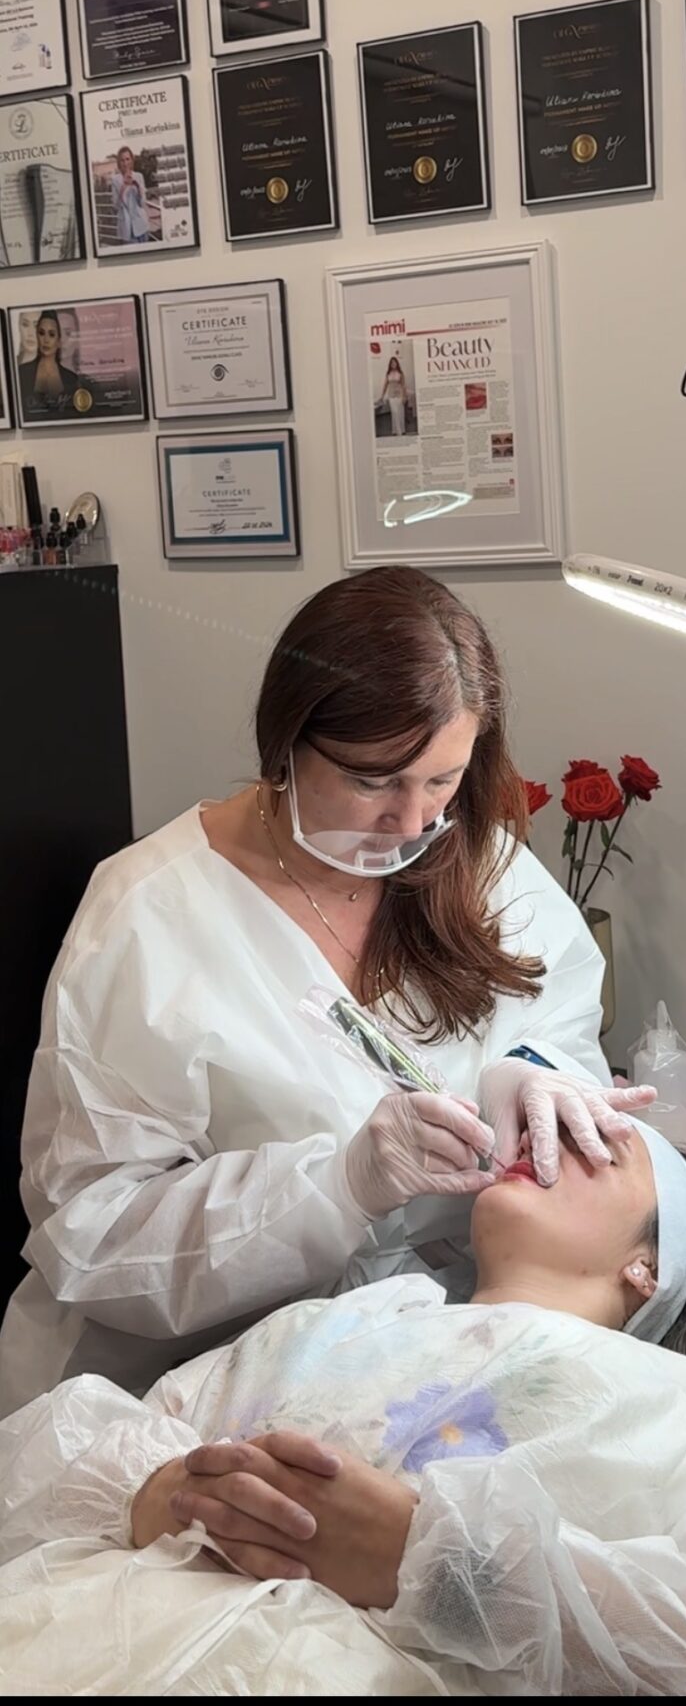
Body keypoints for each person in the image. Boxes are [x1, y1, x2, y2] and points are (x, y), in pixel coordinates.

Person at [0, 567, 644, 1414]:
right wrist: (337, 1187)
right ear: (286, 743)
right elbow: (91, 1240)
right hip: (188, 1389)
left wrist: (530, 1074)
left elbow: (557, 1027)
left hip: (429, 1363)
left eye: (443, 780)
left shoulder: (477, 861)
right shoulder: (148, 919)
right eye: (375, 780)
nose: (413, 821)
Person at [0, 1125, 686, 1695]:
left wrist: (434, 1565)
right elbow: (51, 1455)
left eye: (602, 1147)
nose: (545, 1139)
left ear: (647, 1266)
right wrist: (155, 1494)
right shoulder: (333, 1324)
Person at [16, 309, 85, 416]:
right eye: (41, 333)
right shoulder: (20, 373)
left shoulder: (72, 378)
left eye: (52, 334)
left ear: (58, 341)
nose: (46, 340)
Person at [110, 144, 150, 244]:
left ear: (132, 160)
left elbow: (142, 203)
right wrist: (123, 187)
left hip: (141, 224)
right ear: (119, 162)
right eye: (122, 160)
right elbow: (116, 206)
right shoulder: (115, 180)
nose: (125, 163)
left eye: (127, 159)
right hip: (127, 228)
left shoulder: (139, 176)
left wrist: (136, 185)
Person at [379, 352, 409, 434]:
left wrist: (404, 397)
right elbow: (385, 385)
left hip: (400, 395)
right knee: (394, 413)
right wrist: (382, 396)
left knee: (400, 413)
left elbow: (403, 386)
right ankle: (396, 431)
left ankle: (402, 430)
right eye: (392, 363)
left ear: (397, 363)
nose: (393, 364)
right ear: (390, 364)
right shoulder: (388, 373)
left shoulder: (401, 373)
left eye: (394, 362)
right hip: (391, 396)